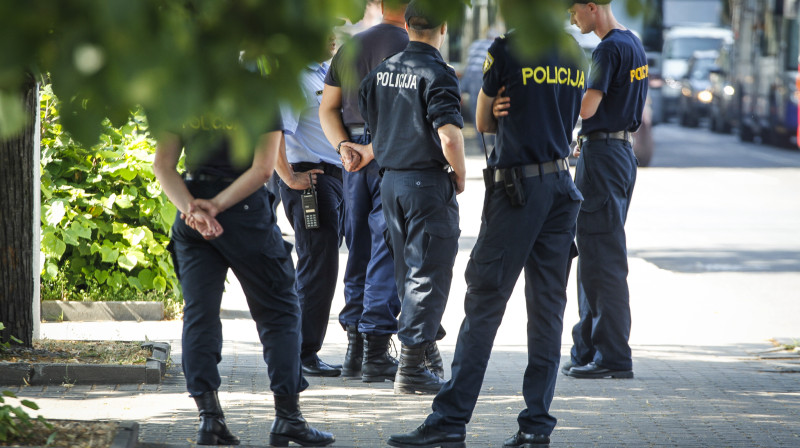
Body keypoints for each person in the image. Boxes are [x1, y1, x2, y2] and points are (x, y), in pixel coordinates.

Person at [386, 8, 588, 448]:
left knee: (483, 305)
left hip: (518, 192)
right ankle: (536, 426)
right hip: (561, 188)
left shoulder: (507, 48)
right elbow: (567, 115)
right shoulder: (574, 51)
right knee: (548, 311)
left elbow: (481, 122)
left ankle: (449, 421)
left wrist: (495, 108)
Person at [154, 119, 335, 446]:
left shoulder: (183, 95)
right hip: (244, 212)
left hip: (192, 213)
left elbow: (163, 166)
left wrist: (193, 211)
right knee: (280, 313)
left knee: (199, 315)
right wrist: (216, 207)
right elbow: (263, 170)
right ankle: (288, 417)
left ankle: (209, 418)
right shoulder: (259, 95)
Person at [344, 0, 466, 395]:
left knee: (406, 273)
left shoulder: (380, 72)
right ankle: (412, 367)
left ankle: (423, 353)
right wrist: (460, 175)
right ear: (443, 28)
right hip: (425, 184)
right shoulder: (438, 73)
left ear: (408, 25)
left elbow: (375, 123)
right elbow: (450, 137)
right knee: (428, 274)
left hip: (390, 182)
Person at [320, 0, 432, 384]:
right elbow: (415, 116)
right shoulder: (414, 47)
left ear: (379, 4)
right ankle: (375, 349)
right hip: (391, 154)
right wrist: (372, 149)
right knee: (387, 249)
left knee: (359, 248)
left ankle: (354, 349)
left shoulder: (351, 46)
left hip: (352, 156)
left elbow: (327, 108)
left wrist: (343, 147)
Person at [562, 0, 647, 380]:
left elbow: (586, 107)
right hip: (617, 151)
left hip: (605, 160)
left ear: (591, 6)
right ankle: (588, 347)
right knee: (595, 254)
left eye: (573, 11)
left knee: (602, 259)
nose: (572, 18)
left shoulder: (608, 49)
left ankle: (612, 355)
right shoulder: (632, 42)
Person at [276, 55, 344, 378]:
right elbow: (276, 131)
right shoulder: (294, 78)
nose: (332, 36)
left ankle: (302, 349)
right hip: (309, 179)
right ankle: (302, 352)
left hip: (333, 177)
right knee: (318, 265)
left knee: (322, 263)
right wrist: (289, 178)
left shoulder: (325, 71)